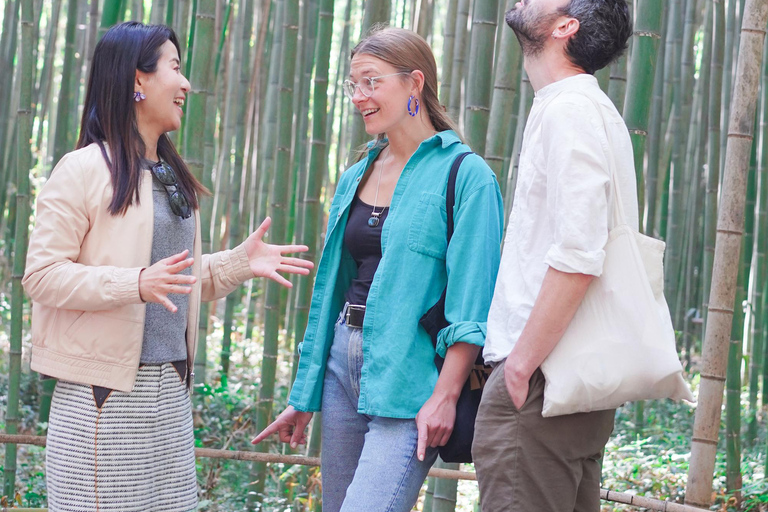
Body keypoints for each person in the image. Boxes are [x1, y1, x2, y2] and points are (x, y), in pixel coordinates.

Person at [22, 22, 313, 512]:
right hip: (105, 396)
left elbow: (172, 280)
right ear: (137, 80)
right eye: (175, 69)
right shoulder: (84, 169)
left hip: (170, 394)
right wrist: (133, 284)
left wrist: (239, 263)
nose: (186, 84)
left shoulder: (169, 174)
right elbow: (42, 275)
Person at [252, 27, 503, 512]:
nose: (358, 97)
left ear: (414, 83)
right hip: (342, 365)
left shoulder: (467, 175)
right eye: (353, 85)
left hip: (410, 375)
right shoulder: (357, 174)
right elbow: (332, 291)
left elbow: (473, 304)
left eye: (370, 82)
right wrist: (305, 393)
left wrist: (446, 396)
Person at [473, 1, 633, 511]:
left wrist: (519, 366)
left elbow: (580, 253)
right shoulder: (581, 108)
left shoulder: (569, 110)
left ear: (566, 26)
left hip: (544, 379)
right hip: (567, 378)